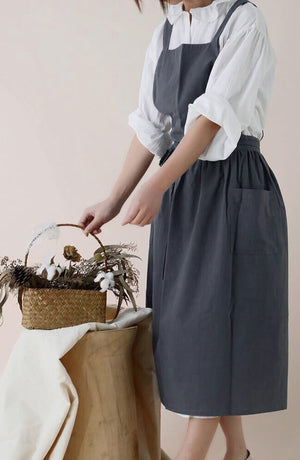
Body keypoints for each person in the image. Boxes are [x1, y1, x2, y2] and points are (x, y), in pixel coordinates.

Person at [79, 1, 288, 459]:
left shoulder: (243, 20)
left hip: (231, 189)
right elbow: (152, 126)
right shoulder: (167, 32)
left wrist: (157, 184)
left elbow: (211, 120)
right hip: (181, 191)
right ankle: (238, 453)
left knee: (217, 328)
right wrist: (113, 201)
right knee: (195, 331)